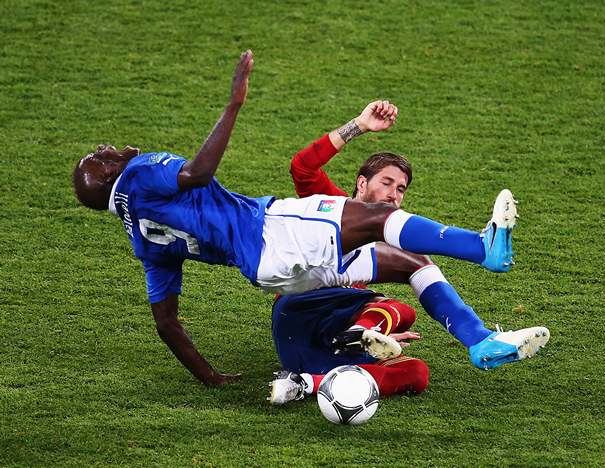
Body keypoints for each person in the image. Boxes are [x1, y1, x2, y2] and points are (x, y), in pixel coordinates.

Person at [72, 50, 549, 387]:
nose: (104, 148)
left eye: (400, 187)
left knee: (412, 262)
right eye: (100, 155)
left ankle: (480, 340)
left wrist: (210, 377)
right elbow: (200, 173)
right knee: (386, 223)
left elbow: (167, 323)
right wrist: (235, 103)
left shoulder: (143, 239)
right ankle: (482, 248)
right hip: (273, 238)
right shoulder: (140, 174)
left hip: (272, 269)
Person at [267, 101, 548, 404]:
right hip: (299, 310)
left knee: (415, 373)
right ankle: (476, 328)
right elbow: (302, 167)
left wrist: (379, 334)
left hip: (312, 347)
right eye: (386, 183)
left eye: (401, 189)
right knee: (409, 290)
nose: (394, 194)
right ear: (362, 183)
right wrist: (360, 125)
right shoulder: (333, 207)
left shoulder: (389, 236)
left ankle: (303, 384)